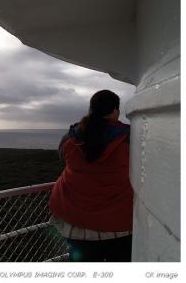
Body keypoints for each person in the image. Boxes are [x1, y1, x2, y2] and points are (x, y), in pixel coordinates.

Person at [49, 89, 133, 262]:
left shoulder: (71, 137)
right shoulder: (130, 137)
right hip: (119, 223)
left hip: (76, 222)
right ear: (115, 111)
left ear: (91, 110)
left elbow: (63, 158)